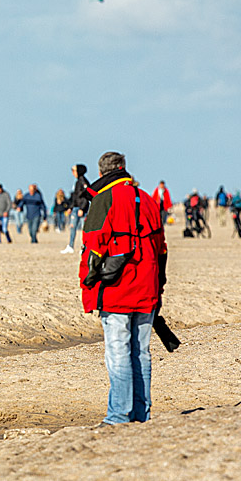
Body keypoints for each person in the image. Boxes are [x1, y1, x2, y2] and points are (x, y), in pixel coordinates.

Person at [81, 151, 167, 427]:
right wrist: (159, 286)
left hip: (117, 289)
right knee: (140, 352)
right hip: (147, 285)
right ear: (123, 168)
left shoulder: (104, 199)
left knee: (118, 352)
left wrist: (88, 284)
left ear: (101, 172)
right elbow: (161, 247)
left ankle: (118, 416)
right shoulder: (147, 199)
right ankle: (140, 414)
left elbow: (93, 245)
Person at [62, 164, 90, 254]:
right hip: (75, 208)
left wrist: (82, 208)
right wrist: (71, 207)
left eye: (74, 170)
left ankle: (85, 247)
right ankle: (70, 246)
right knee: (72, 227)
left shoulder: (83, 181)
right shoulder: (77, 182)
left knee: (84, 229)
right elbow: (75, 197)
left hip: (81, 209)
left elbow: (86, 196)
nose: (73, 173)